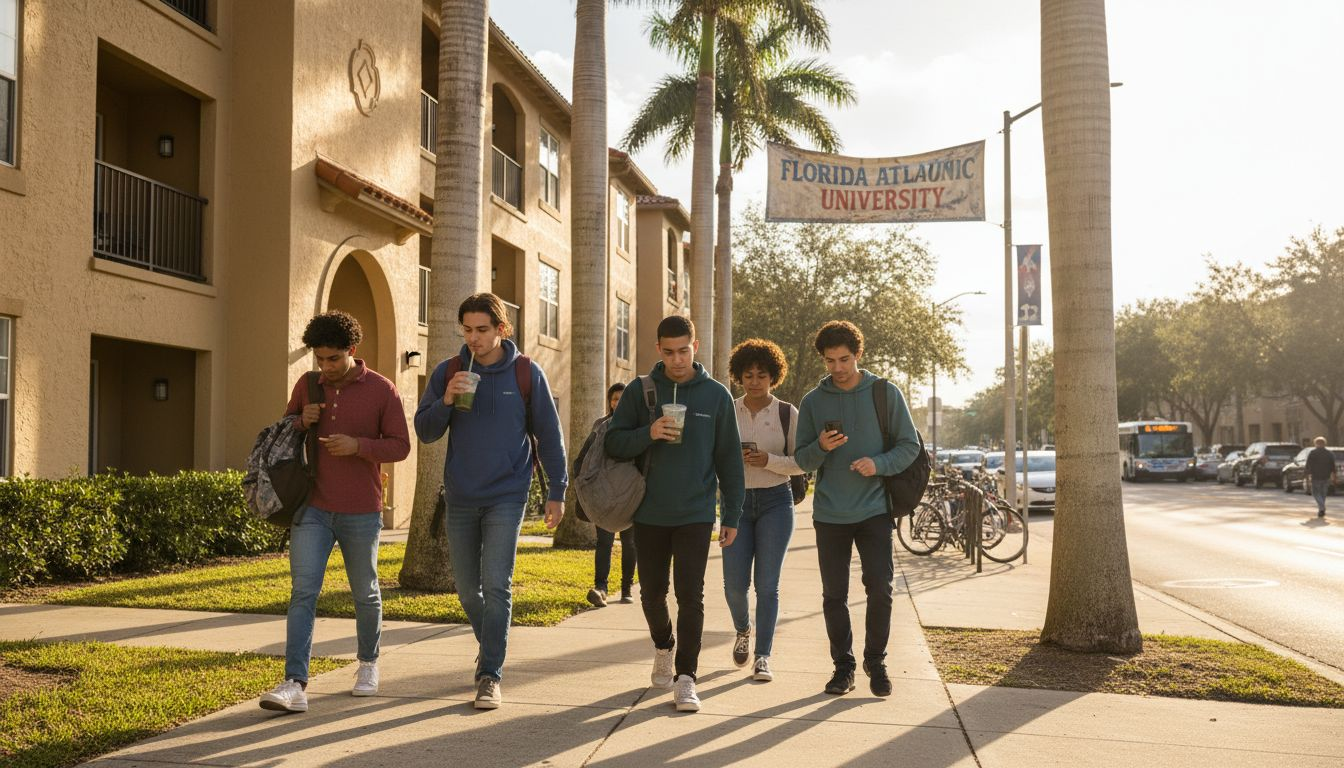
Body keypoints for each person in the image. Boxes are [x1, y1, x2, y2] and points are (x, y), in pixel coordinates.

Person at [414, 293, 568, 710]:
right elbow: (425, 431)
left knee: (497, 585)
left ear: (501, 329)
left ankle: (489, 674)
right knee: (467, 590)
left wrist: (558, 490)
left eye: (482, 329)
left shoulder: (525, 373)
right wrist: (446, 400)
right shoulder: (448, 371)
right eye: (467, 330)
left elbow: (549, 437)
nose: (473, 338)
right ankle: (492, 645)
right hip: (461, 495)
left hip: (507, 493)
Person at [260, 310, 411, 714]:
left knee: (365, 591)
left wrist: (358, 446)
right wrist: (298, 420)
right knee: (303, 593)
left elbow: (400, 446)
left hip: (361, 510)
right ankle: (295, 683)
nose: (325, 367)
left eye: (333, 359)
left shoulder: (383, 390)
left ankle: (368, 664)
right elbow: (283, 427)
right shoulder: (308, 384)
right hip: (312, 507)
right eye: (320, 359)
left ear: (352, 351)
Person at [605, 315, 745, 713]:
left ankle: (687, 677)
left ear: (695, 347)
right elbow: (614, 443)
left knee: (691, 595)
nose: (677, 359)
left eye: (684, 351)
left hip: (695, 514)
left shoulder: (716, 396)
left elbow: (729, 462)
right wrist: (647, 432)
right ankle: (664, 645)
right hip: (647, 512)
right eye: (669, 352)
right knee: (651, 593)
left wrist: (731, 515)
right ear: (658, 350)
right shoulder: (640, 390)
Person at [794, 320, 919, 698]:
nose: (837, 368)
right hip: (830, 513)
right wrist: (822, 447)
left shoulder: (884, 393)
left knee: (880, 588)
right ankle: (843, 668)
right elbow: (801, 459)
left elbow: (909, 446)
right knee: (834, 595)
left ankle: (876, 661)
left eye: (844, 359)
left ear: (858, 355)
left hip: (874, 510)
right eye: (830, 361)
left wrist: (877, 464)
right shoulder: (814, 402)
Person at [723, 338, 801, 683]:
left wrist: (770, 461)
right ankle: (743, 629)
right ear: (739, 376)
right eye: (748, 375)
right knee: (734, 587)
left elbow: (802, 463)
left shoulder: (787, 413)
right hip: (736, 504)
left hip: (776, 502)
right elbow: (715, 457)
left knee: (767, 585)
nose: (755, 381)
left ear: (774, 377)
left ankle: (763, 657)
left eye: (762, 375)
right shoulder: (728, 410)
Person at [580, 382, 637, 607]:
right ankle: (601, 588)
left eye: (623, 398)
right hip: (604, 493)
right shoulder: (600, 425)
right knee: (604, 542)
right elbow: (588, 456)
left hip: (629, 492)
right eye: (614, 399)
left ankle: (626, 588)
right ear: (609, 401)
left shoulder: (637, 425)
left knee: (629, 542)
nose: (618, 403)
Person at [1306, 436, 1337, 519]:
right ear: (1324, 443)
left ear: (1316, 444)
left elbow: (1308, 465)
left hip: (1316, 476)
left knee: (1316, 493)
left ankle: (1322, 507)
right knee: (1323, 494)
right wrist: (1334, 476)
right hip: (1326, 476)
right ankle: (1321, 509)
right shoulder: (1329, 453)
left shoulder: (1313, 453)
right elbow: (1333, 466)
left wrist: (1307, 475)